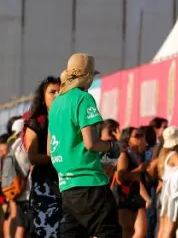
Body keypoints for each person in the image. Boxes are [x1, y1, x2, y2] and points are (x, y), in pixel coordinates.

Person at [47, 53, 119, 238]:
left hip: (66, 186)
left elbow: (49, 149)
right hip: (90, 182)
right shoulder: (83, 98)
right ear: (87, 76)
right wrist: (111, 146)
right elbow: (91, 143)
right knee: (107, 231)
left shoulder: (56, 103)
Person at [23, 76, 61, 238]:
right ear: (43, 98)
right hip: (45, 184)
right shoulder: (36, 123)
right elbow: (32, 157)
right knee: (46, 232)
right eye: (52, 92)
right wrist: (55, 157)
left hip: (68, 184)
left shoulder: (69, 120)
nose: (57, 95)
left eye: (60, 91)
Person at [115, 127, 151, 238]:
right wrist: (139, 170)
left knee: (142, 231)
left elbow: (138, 179)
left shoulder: (139, 155)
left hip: (136, 195)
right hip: (125, 197)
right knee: (127, 230)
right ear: (128, 140)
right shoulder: (124, 155)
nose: (141, 138)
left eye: (142, 135)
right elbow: (120, 176)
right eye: (137, 136)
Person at [154, 127, 178, 238]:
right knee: (170, 228)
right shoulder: (174, 155)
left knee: (163, 228)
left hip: (165, 192)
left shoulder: (163, 154)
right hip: (173, 194)